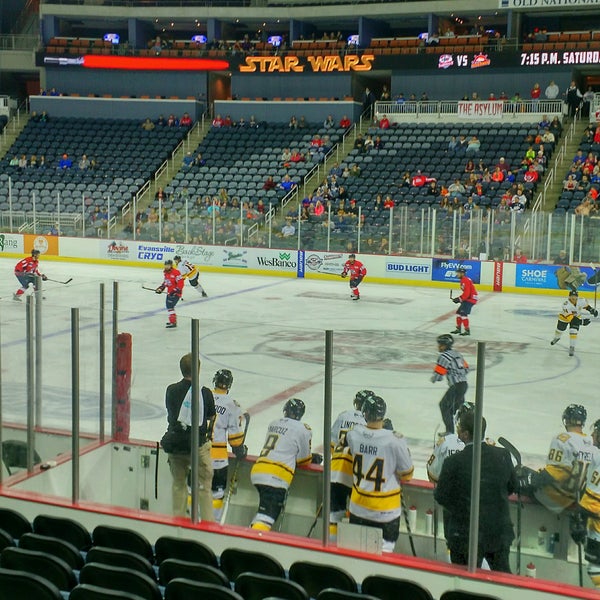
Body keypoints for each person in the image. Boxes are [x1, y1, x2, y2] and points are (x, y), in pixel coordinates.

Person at [434, 409, 516, 572]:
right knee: (503, 580)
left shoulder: (453, 462)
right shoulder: (503, 455)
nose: (456, 430)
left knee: (463, 582)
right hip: (497, 532)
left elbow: (441, 496)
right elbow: (512, 487)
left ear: (465, 434)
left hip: (464, 534)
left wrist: (464, 508)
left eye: (459, 428)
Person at [346, 394, 414, 552]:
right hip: (385, 512)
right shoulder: (395, 440)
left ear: (365, 413)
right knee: (384, 557)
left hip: (358, 507)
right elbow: (407, 474)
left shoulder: (353, 434)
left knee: (357, 554)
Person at [250, 398, 321, 531]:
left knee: (262, 514)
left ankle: (251, 534)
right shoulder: (303, 429)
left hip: (258, 470)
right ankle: (250, 545)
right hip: (276, 477)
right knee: (267, 518)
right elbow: (303, 460)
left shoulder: (273, 423)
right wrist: (313, 459)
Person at [163, 353, 216, 520]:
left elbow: (171, 413)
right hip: (197, 447)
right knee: (204, 487)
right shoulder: (205, 393)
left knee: (178, 485)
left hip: (176, 446)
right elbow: (210, 417)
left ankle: (178, 521)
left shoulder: (171, 390)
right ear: (198, 370)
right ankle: (207, 523)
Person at [534, 404, 594, 513]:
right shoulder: (591, 442)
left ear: (567, 420)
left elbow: (554, 473)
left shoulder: (562, 439)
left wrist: (531, 478)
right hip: (573, 498)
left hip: (553, 498)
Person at [329, 389, 371, 541]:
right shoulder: (370, 422)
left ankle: (331, 552)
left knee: (333, 516)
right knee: (357, 515)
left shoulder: (343, 415)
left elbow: (331, 443)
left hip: (336, 470)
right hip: (356, 475)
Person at [210, 369, 248, 521]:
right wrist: (240, 450)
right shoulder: (232, 405)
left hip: (198, 452)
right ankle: (212, 524)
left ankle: (190, 524)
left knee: (193, 489)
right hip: (217, 459)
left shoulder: (203, 395)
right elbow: (235, 440)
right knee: (216, 494)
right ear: (229, 385)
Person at [574, 418, 600, 589]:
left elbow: (592, 503)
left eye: (596, 432)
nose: (592, 435)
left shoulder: (597, 458)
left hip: (597, 532)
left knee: (594, 569)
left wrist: (577, 519)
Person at [431, 334, 469, 434]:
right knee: (457, 409)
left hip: (455, 386)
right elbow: (466, 369)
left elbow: (438, 375)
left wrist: (434, 378)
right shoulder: (457, 354)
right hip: (464, 385)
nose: (438, 346)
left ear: (444, 346)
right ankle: (465, 430)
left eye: (440, 344)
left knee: (444, 406)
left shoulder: (444, 357)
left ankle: (450, 431)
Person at [550, 290, 598, 356]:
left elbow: (586, 306)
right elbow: (571, 319)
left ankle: (572, 347)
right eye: (572, 296)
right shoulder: (566, 305)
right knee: (559, 330)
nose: (573, 298)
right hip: (564, 318)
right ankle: (557, 338)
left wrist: (592, 310)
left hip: (576, 317)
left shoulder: (581, 301)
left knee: (573, 331)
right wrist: (582, 322)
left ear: (577, 297)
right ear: (569, 297)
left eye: (575, 296)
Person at [155, 259, 184, 328]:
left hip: (176, 294)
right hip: (169, 293)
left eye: (168, 265)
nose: (166, 266)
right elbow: (166, 282)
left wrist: (175, 291)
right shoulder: (166, 273)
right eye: (166, 265)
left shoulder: (176, 272)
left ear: (171, 265)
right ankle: (172, 321)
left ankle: (173, 322)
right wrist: (161, 288)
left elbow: (181, 283)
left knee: (170, 306)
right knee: (169, 307)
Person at [451, 266, 478, 336]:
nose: (457, 274)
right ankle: (458, 329)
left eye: (458, 273)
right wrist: (459, 298)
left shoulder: (465, 280)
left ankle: (467, 330)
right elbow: (466, 293)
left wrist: (459, 299)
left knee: (463, 314)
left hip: (470, 299)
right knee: (458, 313)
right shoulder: (463, 280)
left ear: (462, 273)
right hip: (469, 298)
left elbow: (467, 293)